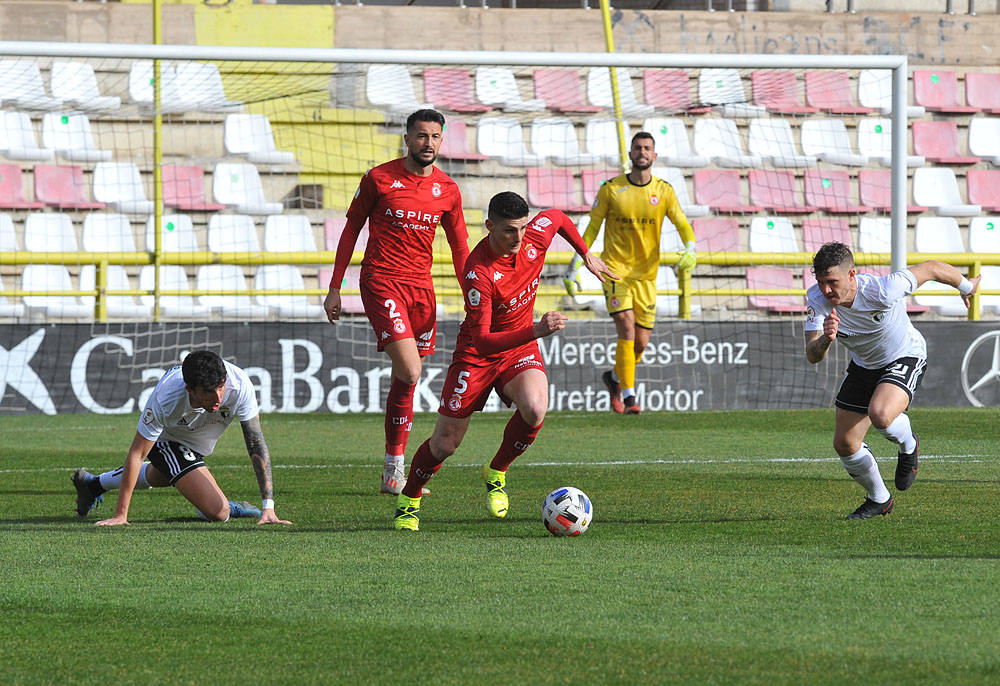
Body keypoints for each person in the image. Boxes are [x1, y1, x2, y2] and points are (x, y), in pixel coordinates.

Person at [392, 191, 615, 531]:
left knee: (536, 408)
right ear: (489, 226)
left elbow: (555, 216)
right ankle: (409, 499)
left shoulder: (532, 238)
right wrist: (537, 330)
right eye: (510, 230)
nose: (519, 237)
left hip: (518, 347)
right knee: (445, 444)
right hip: (477, 355)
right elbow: (482, 340)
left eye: (523, 228)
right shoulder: (477, 272)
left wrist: (584, 254)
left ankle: (496, 471)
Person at [323, 108, 470, 495]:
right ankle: (396, 465)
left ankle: (392, 469)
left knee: (407, 379)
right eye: (421, 136)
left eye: (435, 137)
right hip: (382, 282)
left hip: (422, 291)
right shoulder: (379, 178)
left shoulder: (448, 190)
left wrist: (475, 294)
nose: (429, 143)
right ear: (407, 139)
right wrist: (335, 286)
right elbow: (351, 228)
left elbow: (460, 248)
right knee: (409, 371)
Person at [804, 242, 980, 520]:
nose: (826, 290)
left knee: (881, 414)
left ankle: (908, 444)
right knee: (845, 444)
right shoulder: (816, 299)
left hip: (904, 355)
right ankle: (879, 499)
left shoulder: (882, 290)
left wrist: (966, 287)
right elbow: (812, 354)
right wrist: (826, 339)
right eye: (821, 282)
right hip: (864, 366)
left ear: (851, 275)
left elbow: (931, 269)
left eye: (832, 282)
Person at [71, 350, 292, 527]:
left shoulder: (240, 384)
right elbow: (138, 453)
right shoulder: (166, 397)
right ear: (190, 389)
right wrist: (121, 515)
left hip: (197, 438)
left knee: (162, 475)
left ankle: (93, 485)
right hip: (167, 438)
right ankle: (222, 505)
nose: (218, 398)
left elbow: (255, 442)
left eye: (221, 388)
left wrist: (268, 507)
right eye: (208, 391)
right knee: (218, 512)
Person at [562, 131, 696, 415]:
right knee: (625, 325)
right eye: (638, 148)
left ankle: (614, 377)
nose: (642, 152)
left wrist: (691, 247)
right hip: (615, 271)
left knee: (641, 342)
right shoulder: (611, 189)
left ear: (654, 155)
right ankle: (630, 396)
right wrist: (574, 266)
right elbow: (591, 229)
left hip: (647, 277)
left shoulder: (664, 190)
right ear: (630, 154)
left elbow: (682, 223)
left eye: (647, 148)